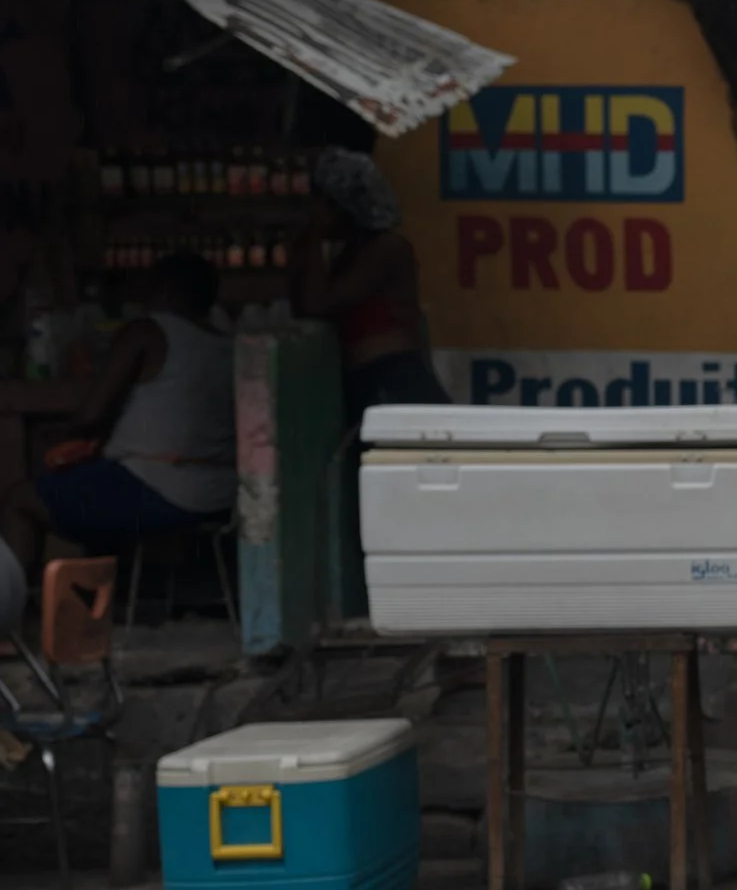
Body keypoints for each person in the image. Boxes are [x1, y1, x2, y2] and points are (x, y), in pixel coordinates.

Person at [2, 250, 235, 583]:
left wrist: (58, 434)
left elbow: (91, 415)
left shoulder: (147, 330)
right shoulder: (227, 343)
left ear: (166, 291)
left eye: (149, 288)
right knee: (88, 479)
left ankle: (10, 617)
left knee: (20, 499)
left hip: (154, 489)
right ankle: (105, 594)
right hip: (218, 494)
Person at [289, 147, 450, 422]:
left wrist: (313, 235)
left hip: (392, 382)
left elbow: (318, 303)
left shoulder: (387, 249)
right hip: (370, 381)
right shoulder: (351, 252)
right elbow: (303, 304)